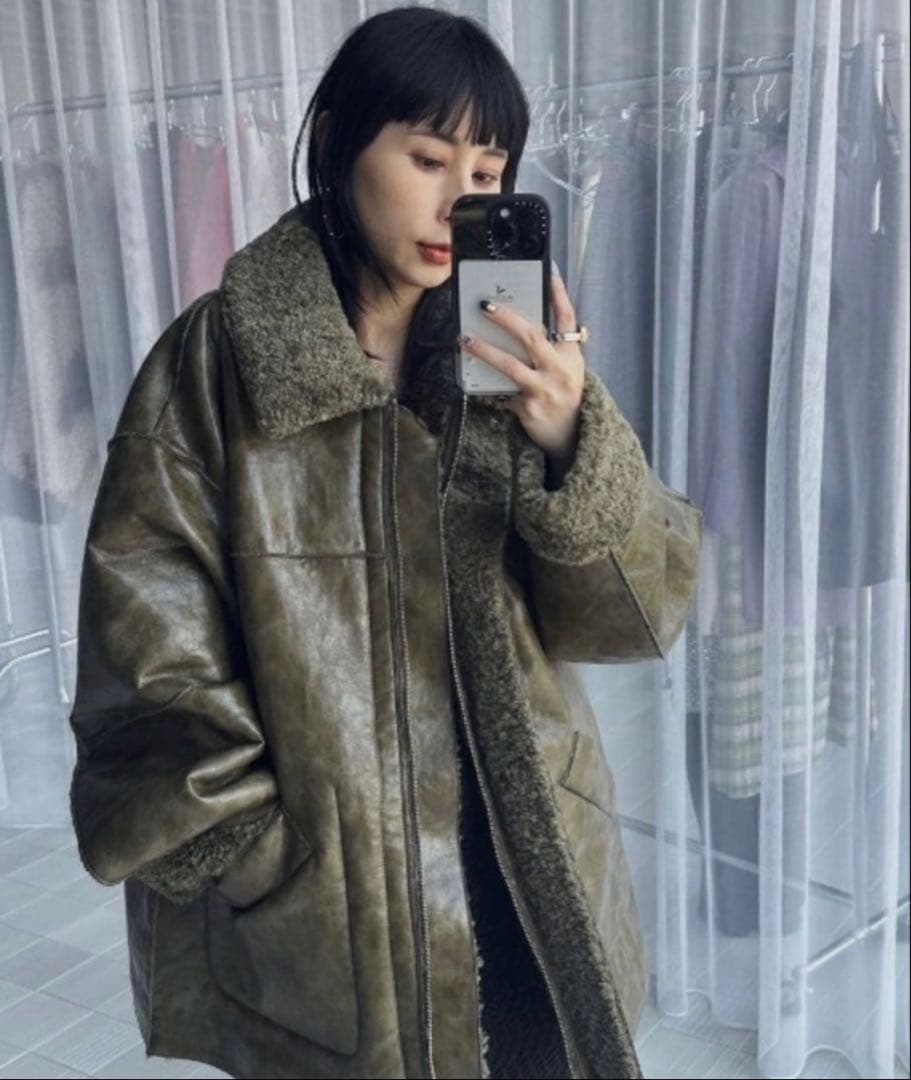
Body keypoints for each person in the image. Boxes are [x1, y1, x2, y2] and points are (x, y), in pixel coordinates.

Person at [67, 7, 703, 1079]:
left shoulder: (516, 359)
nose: (460, 197)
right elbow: (144, 649)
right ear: (338, 144)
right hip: (334, 911)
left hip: (528, 865)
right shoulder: (219, 365)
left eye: (487, 170)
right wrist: (266, 852)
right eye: (426, 157)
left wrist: (568, 441)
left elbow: (635, 620)